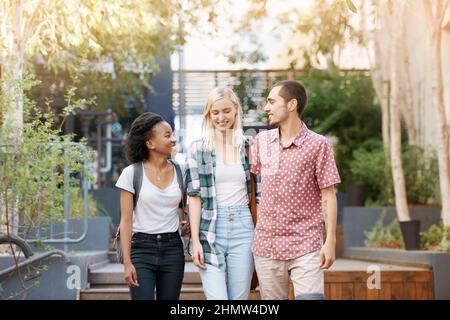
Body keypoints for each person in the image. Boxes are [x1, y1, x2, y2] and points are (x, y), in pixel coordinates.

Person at [250, 80, 341, 300]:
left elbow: (328, 195)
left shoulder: (319, 145)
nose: (266, 107)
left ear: (291, 104)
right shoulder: (261, 142)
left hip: (306, 245)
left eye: (271, 101)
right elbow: (250, 189)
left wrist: (330, 241)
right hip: (267, 247)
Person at [186, 86, 256, 300]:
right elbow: (194, 198)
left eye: (226, 111)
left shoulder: (249, 148)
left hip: (243, 227)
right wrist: (195, 240)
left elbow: (259, 194)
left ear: (236, 110)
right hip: (210, 227)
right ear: (208, 115)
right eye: (215, 112)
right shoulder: (197, 149)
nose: (221, 117)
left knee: (239, 299)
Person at [115, 112, 187, 300]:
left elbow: (180, 206)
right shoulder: (131, 174)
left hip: (173, 249)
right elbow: (126, 220)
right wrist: (127, 262)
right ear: (150, 144)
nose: (173, 140)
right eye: (167, 135)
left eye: (172, 134)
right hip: (141, 250)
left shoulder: (181, 171)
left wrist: (182, 222)